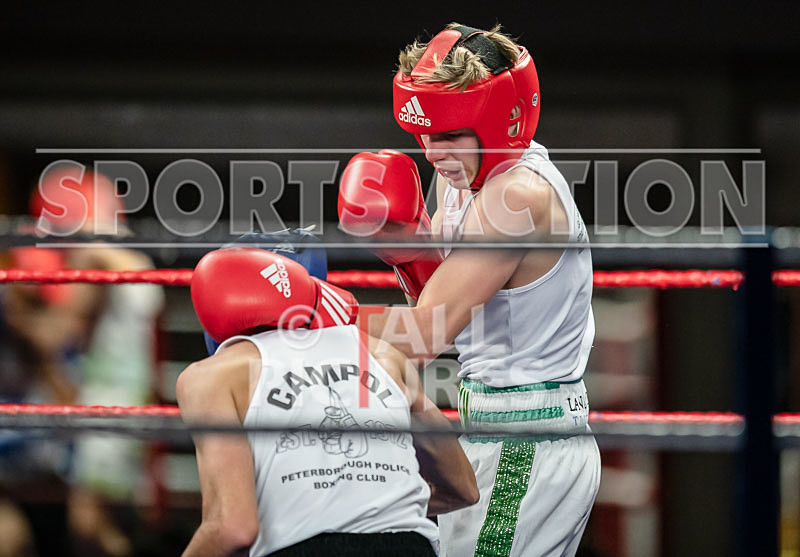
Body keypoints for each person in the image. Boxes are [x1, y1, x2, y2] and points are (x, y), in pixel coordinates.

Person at [337, 23, 601, 556]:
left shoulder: (517, 198)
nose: (433, 153)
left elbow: (420, 337)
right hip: (487, 425)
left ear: (502, 121)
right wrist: (410, 257)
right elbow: (445, 308)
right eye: (427, 135)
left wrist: (307, 314)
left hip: (526, 441)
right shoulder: (462, 174)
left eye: (451, 134)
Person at [181, 246, 479, 556]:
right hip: (409, 545)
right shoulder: (383, 355)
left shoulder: (210, 376)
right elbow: (464, 489)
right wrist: (367, 504)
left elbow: (233, 529)